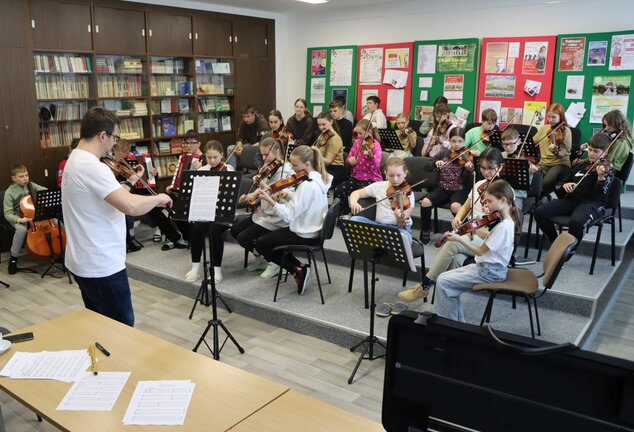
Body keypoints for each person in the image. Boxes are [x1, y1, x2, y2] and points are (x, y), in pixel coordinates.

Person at [61, 106, 172, 326]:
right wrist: (158, 198)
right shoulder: (92, 167)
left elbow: (108, 198)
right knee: (122, 329)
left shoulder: (75, 159)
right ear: (102, 135)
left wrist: (130, 182)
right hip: (101, 264)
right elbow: (129, 206)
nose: (114, 143)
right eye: (114, 137)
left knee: (101, 326)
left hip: (83, 260)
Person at [399, 147, 506, 302]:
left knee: (453, 243)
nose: (486, 172)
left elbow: (500, 225)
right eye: (483, 168)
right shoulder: (479, 184)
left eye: (490, 168)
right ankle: (447, 299)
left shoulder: (504, 190)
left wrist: (480, 223)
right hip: (472, 229)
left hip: (488, 237)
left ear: (500, 167)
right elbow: (466, 206)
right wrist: (459, 218)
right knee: (456, 259)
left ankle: (425, 285)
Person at [434, 179, 521, 322]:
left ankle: (448, 325)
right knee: (444, 279)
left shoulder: (504, 226)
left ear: (503, 200)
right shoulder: (504, 222)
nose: (486, 205)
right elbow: (490, 237)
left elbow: (480, 251)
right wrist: (475, 230)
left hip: (490, 272)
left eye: (489, 201)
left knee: (443, 282)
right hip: (486, 267)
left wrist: (459, 239)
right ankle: (456, 323)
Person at [255, 145, 332, 294]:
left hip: (304, 233)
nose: (292, 168)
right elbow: (307, 201)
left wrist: (271, 201)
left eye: (295, 165)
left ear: (307, 164)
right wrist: (290, 194)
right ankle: (297, 267)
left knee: (261, 244)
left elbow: (288, 216)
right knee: (268, 239)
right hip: (314, 230)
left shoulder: (306, 186)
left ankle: (298, 268)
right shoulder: (319, 179)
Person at [534, 132, 614, 246]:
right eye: (590, 150)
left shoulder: (606, 170)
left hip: (592, 204)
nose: (591, 154)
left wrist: (601, 178)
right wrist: (564, 185)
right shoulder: (581, 165)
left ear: (605, 152)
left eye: (596, 151)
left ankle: (569, 250)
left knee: (577, 222)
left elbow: (599, 195)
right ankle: (555, 243)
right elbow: (559, 185)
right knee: (539, 212)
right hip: (573, 200)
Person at [231, 138, 293, 279]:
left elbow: (279, 197)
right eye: (262, 155)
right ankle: (261, 259)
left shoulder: (286, 172)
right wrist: (249, 196)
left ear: (277, 151)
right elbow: (261, 192)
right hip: (264, 213)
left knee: (243, 237)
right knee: (235, 230)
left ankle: (274, 262)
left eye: (266, 154)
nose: (264, 158)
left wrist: (262, 185)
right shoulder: (269, 167)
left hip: (276, 217)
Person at [185, 140, 234, 283]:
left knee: (214, 228)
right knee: (196, 229)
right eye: (209, 157)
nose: (212, 161)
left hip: (222, 212)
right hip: (205, 210)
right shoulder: (202, 171)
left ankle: (217, 270)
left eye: (215, 157)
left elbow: (231, 194)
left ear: (222, 155)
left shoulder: (228, 169)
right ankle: (195, 268)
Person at [419, 127, 474, 245]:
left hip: (460, 189)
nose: (457, 144)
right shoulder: (444, 153)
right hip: (443, 188)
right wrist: (435, 163)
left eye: (460, 141)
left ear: (464, 141)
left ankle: (464, 231)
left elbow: (468, 183)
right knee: (425, 202)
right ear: (449, 140)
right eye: (453, 141)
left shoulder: (467, 156)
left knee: (455, 206)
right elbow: (425, 166)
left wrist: (468, 171)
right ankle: (425, 231)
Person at [3, 164, 47, 275]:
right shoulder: (10, 192)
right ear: (14, 178)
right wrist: (18, 219)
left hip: (32, 213)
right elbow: (7, 213)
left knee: (55, 222)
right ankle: (13, 259)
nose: (25, 178)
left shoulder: (31, 185)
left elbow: (44, 191)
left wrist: (41, 196)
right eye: (21, 176)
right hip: (18, 217)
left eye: (26, 175)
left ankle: (61, 252)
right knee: (21, 230)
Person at [335, 119, 383, 215]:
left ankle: (357, 217)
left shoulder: (376, 145)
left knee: (361, 196)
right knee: (339, 189)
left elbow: (376, 165)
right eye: (357, 133)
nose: (358, 136)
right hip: (356, 177)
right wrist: (350, 161)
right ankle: (344, 213)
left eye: (361, 133)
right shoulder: (357, 143)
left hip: (371, 178)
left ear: (369, 131)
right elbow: (348, 160)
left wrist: (370, 157)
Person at [533, 103, 572, 196]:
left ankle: (546, 199)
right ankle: (535, 200)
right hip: (543, 163)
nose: (550, 120)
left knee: (545, 183)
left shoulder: (566, 131)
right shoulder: (544, 128)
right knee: (531, 179)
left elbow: (564, 153)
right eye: (549, 116)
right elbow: (533, 141)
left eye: (553, 117)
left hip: (560, 164)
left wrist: (556, 151)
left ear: (561, 117)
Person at [314, 111, 346, 188]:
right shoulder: (323, 135)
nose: (321, 127)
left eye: (323, 124)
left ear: (331, 121)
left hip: (334, 169)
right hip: (323, 166)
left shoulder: (335, 139)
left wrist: (315, 153)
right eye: (319, 125)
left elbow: (328, 161)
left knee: (313, 179)